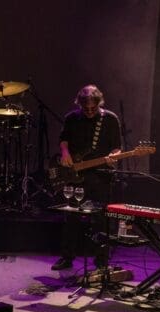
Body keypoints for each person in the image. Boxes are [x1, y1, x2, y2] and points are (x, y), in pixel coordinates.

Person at [51, 85, 121, 270]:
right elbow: (63, 139)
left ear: (100, 103)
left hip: (100, 176)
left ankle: (101, 261)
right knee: (71, 218)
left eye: (93, 108)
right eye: (86, 108)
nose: (89, 112)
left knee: (101, 219)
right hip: (75, 175)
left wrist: (114, 156)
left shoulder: (110, 119)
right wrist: (65, 152)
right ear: (79, 104)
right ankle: (67, 258)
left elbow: (116, 147)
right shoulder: (72, 118)